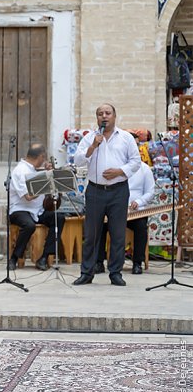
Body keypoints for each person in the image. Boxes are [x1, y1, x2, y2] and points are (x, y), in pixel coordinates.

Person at [73, 104, 141, 286]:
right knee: (91, 234)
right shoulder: (89, 138)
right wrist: (93, 146)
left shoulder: (126, 138)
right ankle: (87, 273)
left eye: (108, 113)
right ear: (96, 118)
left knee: (118, 234)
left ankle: (116, 273)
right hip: (95, 190)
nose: (104, 116)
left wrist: (119, 171)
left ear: (114, 116)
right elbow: (78, 160)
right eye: (100, 114)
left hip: (118, 191)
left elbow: (136, 162)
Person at [8, 143, 66, 271]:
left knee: (59, 218)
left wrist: (48, 173)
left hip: (37, 211)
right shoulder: (20, 171)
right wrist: (46, 181)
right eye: (43, 158)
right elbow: (28, 196)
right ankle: (14, 258)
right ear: (40, 156)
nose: (44, 161)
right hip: (19, 210)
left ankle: (44, 257)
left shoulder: (33, 169)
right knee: (29, 225)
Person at [94, 161, 155, 275]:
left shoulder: (144, 168)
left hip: (135, 212)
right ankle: (99, 262)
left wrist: (139, 201)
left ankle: (137, 263)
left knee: (141, 227)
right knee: (100, 225)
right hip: (114, 209)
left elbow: (150, 192)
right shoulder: (115, 166)